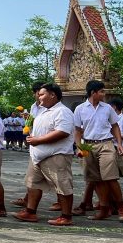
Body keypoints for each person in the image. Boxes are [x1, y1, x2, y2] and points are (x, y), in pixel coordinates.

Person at [13, 82, 75, 226]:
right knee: (33, 184)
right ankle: (30, 211)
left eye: (41, 94)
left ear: (52, 95)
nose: (38, 97)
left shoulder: (62, 111)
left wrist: (38, 140)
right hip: (38, 156)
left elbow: (62, 132)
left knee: (62, 185)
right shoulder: (43, 111)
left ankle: (66, 216)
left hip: (56, 155)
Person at [72, 80, 123, 222]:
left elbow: (115, 126)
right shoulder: (80, 109)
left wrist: (119, 144)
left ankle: (122, 207)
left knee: (110, 177)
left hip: (106, 144)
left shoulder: (107, 108)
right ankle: (104, 209)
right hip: (88, 145)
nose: (104, 94)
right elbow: (77, 130)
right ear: (93, 92)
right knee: (96, 179)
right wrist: (79, 147)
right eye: (102, 91)